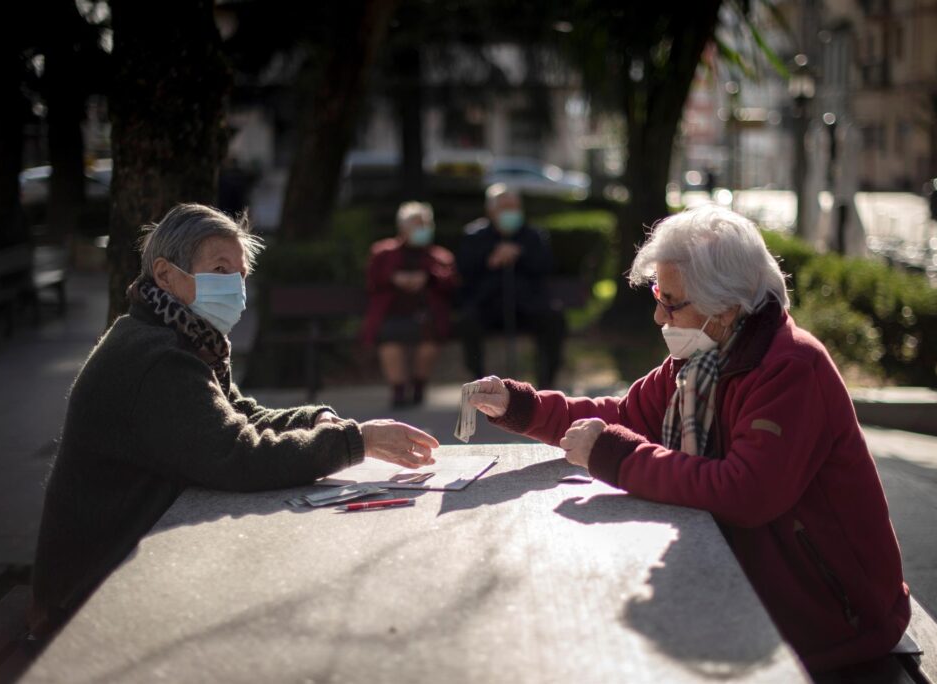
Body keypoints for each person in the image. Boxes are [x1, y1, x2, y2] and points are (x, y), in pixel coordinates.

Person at [468, 205, 910, 674]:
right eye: (659, 293)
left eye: (672, 300)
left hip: (836, 620)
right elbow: (625, 415)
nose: (659, 313)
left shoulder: (791, 368)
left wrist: (618, 457)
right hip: (758, 593)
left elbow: (746, 491)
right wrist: (524, 408)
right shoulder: (703, 355)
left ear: (727, 305)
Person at [31, 203, 438, 636]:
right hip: (88, 600)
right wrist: (357, 442)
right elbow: (236, 454)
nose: (235, 287)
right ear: (167, 276)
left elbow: (240, 414)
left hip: (125, 567)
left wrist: (317, 417)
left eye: (241, 274)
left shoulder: (178, 334)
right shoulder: (159, 359)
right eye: (220, 269)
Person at [456, 183, 566, 389]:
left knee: (553, 319)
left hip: (527, 305)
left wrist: (520, 254)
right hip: (488, 305)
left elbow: (546, 266)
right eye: (504, 208)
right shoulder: (475, 236)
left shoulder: (533, 236)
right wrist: (490, 259)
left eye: (514, 207)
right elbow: (464, 269)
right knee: (468, 321)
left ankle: (546, 384)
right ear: (491, 210)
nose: (510, 213)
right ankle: (480, 382)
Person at [361, 202, 456, 408]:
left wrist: (428, 279)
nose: (422, 229)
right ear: (402, 228)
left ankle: (419, 386)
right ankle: (398, 390)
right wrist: (394, 279)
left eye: (425, 224)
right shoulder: (383, 253)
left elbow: (450, 282)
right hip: (392, 314)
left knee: (430, 340)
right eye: (416, 224)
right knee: (390, 338)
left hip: (427, 316)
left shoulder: (439, 256)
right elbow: (372, 280)